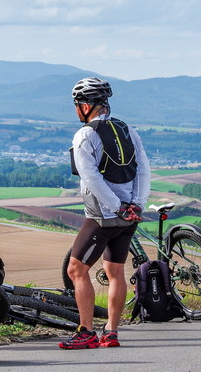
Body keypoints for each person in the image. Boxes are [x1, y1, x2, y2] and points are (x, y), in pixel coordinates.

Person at [61, 77, 150, 349]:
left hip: (103, 215)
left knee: (76, 269)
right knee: (115, 270)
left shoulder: (85, 135)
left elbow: (91, 178)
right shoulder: (127, 129)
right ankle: (111, 332)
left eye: (77, 105)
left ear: (86, 106)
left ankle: (86, 332)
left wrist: (116, 206)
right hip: (129, 215)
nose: (76, 109)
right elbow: (143, 168)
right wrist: (137, 204)